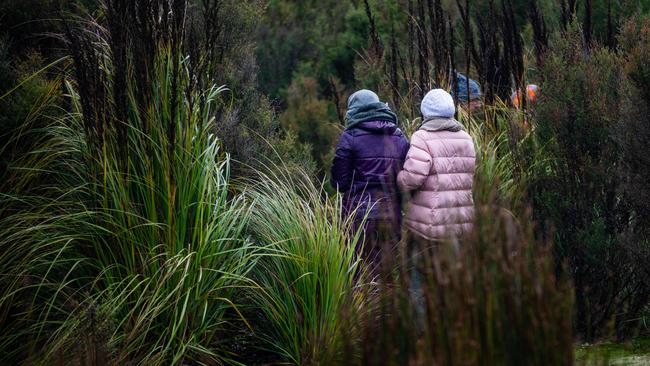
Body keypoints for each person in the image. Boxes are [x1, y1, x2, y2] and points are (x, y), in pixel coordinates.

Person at [331, 89, 409, 273]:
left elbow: (339, 183)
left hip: (359, 215)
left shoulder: (349, 137)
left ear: (353, 111)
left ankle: (364, 303)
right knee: (388, 272)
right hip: (392, 214)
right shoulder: (399, 136)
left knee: (359, 270)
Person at [398, 89, 476, 242]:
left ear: (426, 112)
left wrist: (399, 178)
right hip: (462, 221)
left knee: (423, 265)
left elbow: (412, 179)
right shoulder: (466, 138)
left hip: (430, 223)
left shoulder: (422, 137)